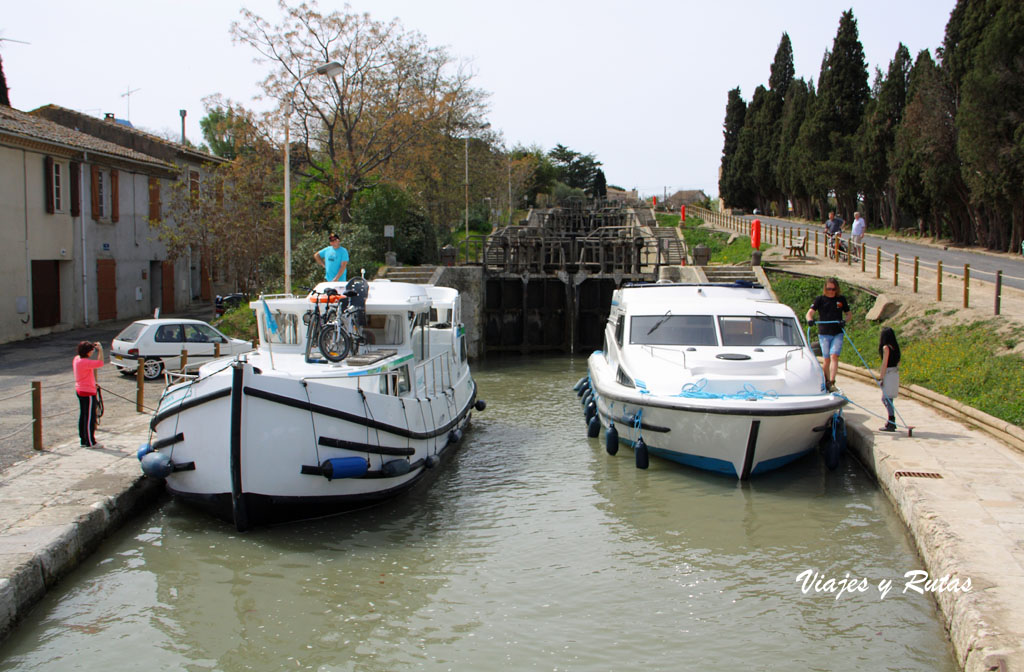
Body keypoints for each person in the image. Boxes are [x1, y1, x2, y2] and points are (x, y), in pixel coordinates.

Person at [805, 277, 851, 392]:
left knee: (834, 355)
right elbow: (809, 313)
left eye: (833, 289)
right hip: (824, 333)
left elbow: (849, 314)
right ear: (825, 288)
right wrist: (810, 320)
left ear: (837, 289)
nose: (831, 291)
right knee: (826, 359)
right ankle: (825, 380)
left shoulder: (841, 300)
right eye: (829, 289)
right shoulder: (820, 299)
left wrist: (844, 321)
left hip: (837, 332)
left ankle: (832, 381)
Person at [73, 340, 104, 449]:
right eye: (91, 351)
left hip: (80, 389)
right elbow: (100, 363)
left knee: (83, 415)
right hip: (88, 392)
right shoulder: (85, 362)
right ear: (87, 352)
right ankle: (90, 442)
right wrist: (100, 350)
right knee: (90, 417)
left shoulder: (77, 359)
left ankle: (83, 439)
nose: (92, 353)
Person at [877, 327, 901, 432]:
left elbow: (884, 363)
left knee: (886, 398)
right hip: (895, 373)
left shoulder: (885, 348)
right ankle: (891, 421)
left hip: (889, 373)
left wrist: (881, 377)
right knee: (888, 398)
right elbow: (898, 362)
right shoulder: (895, 348)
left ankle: (891, 421)